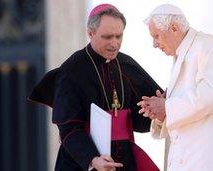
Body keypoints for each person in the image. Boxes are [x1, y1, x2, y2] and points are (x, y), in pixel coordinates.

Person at [28, 3, 160, 171]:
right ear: (90, 33)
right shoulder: (72, 70)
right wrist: (92, 159)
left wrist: (157, 113)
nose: (114, 43)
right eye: (107, 37)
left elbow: (139, 120)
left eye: (119, 36)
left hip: (123, 160)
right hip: (83, 162)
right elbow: (68, 128)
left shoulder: (126, 64)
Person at [138, 4, 213, 171]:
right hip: (191, 159)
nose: (154, 44)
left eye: (156, 36)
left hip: (212, 160)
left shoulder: (209, 46)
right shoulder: (182, 55)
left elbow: (211, 97)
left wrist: (167, 107)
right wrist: (162, 111)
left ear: (174, 28)